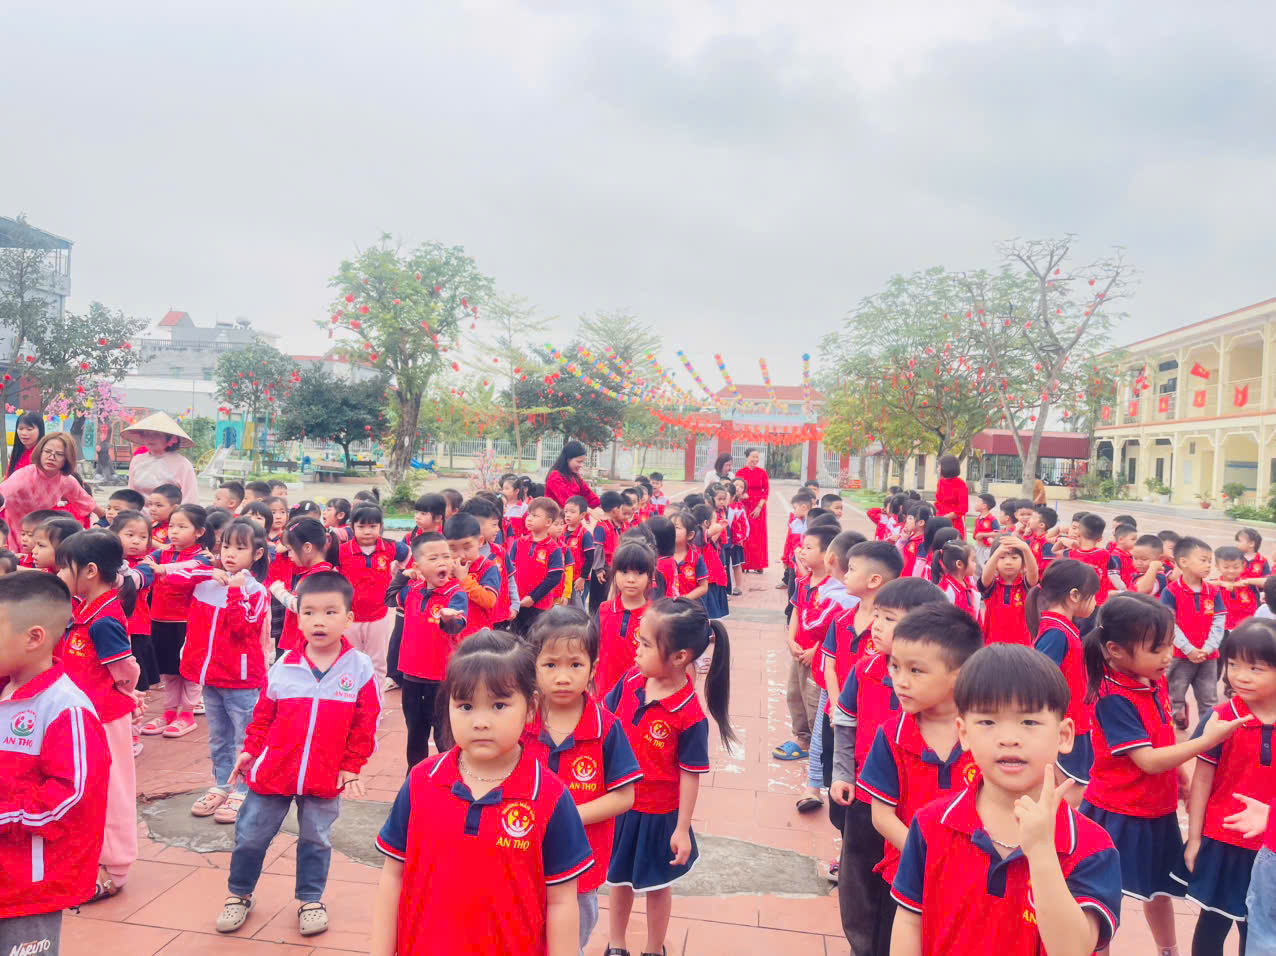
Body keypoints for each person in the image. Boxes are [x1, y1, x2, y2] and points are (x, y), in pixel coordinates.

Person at [889, 643, 1123, 955]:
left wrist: (1042, 851)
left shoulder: (1091, 847)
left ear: (1064, 735)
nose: (1009, 739)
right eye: (988, 722)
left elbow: (1073, 950)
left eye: (1029, 722)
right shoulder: (932, 824)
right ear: (964, 733)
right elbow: (909, 920)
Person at [370, 631, 594, 956]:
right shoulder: (422, 781)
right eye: (465, 706)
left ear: (531, 708)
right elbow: (393, 877)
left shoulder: (549, 796)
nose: (480, 722)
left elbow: (561, 902)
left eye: (499, 705)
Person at [1080, 592, 1251, 956]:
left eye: (1170, 645)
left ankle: (1168, 950)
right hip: (1118, 813)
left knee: (1158, 891)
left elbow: (1162, 737)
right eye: (1156, 648)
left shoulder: (1151, 680)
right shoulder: (1114, 698)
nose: (1167, 655)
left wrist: (1183, 780)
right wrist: (1206, 741)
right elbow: (1148, 760)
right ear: (1115, 651)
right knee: (1100, 896)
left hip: (1156, 809)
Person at [215, 572, 379, 939]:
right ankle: (239, 894)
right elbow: (262, 717)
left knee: (316, 839)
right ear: (298, 617)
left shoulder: (359, 668)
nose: (319, 621)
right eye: (309, 612)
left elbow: (366, 722)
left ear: (349, 618)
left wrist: (352, 765)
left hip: (325, 775)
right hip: (273, 771)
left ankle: (310, 899)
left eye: (330, 612)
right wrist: (250, 752)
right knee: (251, 835)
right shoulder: (284, 667)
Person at [603, 598, 734, 956]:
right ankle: (616, 944)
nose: (636, 649)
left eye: (646, 644)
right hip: (621, 805)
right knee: (618, 880)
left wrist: (682, 828)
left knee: (657, 886)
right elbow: (604, 720)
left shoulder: (689, 715)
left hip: (659, 816)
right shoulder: (631, 680)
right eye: (638, 640)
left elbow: (690, 775)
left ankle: (653, 948)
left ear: (679, 657)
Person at [830, 577, 947, 954]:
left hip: (913, 806)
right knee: (859, 883)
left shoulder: (941, 688)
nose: (875, 625)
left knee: (904, 890)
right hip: (867, 798)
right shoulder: (865, 669)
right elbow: (844, 721)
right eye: (876, 615)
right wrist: (842, 773)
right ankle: (861, 946)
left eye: (889, 618)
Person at [858, 602, 984, 945]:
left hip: (974, 882)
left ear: (959, 675)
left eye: (916, 671)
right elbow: (882, 817)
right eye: (895, 666)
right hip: (908, 879)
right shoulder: (893, 736)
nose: (900, 680)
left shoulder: (985, 734)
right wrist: (933, 860)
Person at [0, 572, 110, 954]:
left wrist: (4, 815)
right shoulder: (4, 686)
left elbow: (71, 798)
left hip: (29, 883)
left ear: (34, 638)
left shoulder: (66, 709)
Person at [525, 608, 642, 953]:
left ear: (593, 667)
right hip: (521, 860)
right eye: (550, 665)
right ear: (533, 666)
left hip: (580, 870)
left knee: (569, 943)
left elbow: (624, 797)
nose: (563, 677)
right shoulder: (519, 722)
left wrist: (567, 816)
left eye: (575, 665)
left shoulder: (606, 728)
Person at [1168, 618, 1276, 954]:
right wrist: (1194, 839)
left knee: (1257, 927)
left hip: (1268, 846)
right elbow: (1202, 780)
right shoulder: (1220, 718)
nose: (1241, 675)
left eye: (1255, 668)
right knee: (1212, 923)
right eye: (1233, 664)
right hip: (1223, 841)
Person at [53, 530, 140, 903]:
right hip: (86, 716)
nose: (59, 574)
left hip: (105, 718)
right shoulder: (83, 610)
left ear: (89, 570)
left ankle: (116, 869)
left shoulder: (102, 619)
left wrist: (125, 692)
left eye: (64, 567)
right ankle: (92, 859)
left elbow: (126, 669)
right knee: (87, 788)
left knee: (112, 790)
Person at [178, 519, 271, 826]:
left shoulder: (256, 591)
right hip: (210, 677)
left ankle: (244, 789)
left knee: (245, 737)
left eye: (240, 548)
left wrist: (235, 591)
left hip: (241, 680)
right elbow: (170, 580)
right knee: (219, 737)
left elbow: (243, 628)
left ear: (257, 554)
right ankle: (222, 784)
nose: (230, 554)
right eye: (226, 546)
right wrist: (206, 571)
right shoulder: (207, 582)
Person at [385, 531, 468, 767]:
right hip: (411, 677)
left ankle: (450, 776)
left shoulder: (455, 594)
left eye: (446, 556)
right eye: (433, 558)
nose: (442, 562)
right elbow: (389, 598)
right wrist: (403, 575)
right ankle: (414, 778)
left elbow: (457, 625)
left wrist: (448, 619)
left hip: (440, 679)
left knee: (444, 736)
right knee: (415, 734)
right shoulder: (412, 590)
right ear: (418, 566)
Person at [138, 504, 213, 738]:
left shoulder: (202, 557)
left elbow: (191, 568)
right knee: (169, 671)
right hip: (160, 620)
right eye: (172, 526)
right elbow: (145, 563)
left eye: (182, 526)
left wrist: (163, 569)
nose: (174, 531)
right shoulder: (161, 553)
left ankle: (187, 714)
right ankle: (169, 713)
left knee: (189, 671)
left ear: (199, 532)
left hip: (188, 623)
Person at [1030, 559, 1100, 797]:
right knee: (1073, 794)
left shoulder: (1062, 628)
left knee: (1071, 792)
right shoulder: (1056, 633)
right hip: (1066, 725)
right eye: (1092, 596)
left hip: (1073, 723)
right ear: (1074, 595)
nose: (1096, 602)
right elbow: (1039, 679)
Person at [335, 503, 409, 682]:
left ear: (381, 526)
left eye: (373, 526)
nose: (367, 531)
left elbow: (408, 554)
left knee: (377, 661)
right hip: (349, 617)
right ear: (352, 527)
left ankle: (376, 697)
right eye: (361, 526)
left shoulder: (390, 547)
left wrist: (396, 574)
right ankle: (351, 695)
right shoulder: (342, 551)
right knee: (349, 658)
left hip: (378, 616)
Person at [1161, 536, 1226, 731]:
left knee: (1208, 698)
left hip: (1208, 657)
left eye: (1210, 561)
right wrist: (1188, 649)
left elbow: (1219, 622)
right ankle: (1178, 714)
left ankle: (1207, 734)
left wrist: (1208, 647)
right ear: (1183, 562)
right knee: (1174, 694)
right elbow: (1170, 624)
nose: (1208, 565)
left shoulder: (1213, 591)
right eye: (1203, 560)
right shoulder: (1171, 591)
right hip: (1180, 656)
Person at [0, 432, 103, 551]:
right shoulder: (23, 476)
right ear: (40, 452)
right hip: (9, 533)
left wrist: (105, 520)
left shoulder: (66, 480)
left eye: (59, 454)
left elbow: (88, 503)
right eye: (47, 451)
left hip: (38, 538)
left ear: (67, 458)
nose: (51, 457)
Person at [266, 518, 338, 652]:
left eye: (290, 550)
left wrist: (279, 592)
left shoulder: (319, 576)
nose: (289, 555)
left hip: (305, 645)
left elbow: (302, 606)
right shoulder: (316, 572)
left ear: (307, 547)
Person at [596, 541, 656, 695]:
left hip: (639, 695)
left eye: (639, 573)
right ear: (614, 573)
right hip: (604, 692)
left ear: (650, 576)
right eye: (624, 572)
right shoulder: (604, 609)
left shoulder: (654, 616)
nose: (631, 579)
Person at [513, 496, 565, 636]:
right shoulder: (519, 542)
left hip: (540, 606)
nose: (529, 518)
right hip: (518, 602)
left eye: (535, 516)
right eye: (529, 514)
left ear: (548, 522)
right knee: (516, 638)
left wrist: (533, 598)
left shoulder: (554, 548)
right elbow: (509, 572)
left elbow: (554, 577)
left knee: (535, 639)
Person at [121, 412, 199, 504]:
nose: (150, 438)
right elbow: (131, 493)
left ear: (171, 438)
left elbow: (190, 498)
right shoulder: (137, 460)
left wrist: (177, 513)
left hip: (172, 512)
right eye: (146, 434)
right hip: (139, 512)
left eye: (156, 434)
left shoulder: (183, 464)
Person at [979, 535, 1038, 645]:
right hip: (993, 646)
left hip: (1021, 647)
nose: (1008, 562)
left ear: (1023, 564)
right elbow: (985, 577)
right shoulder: (992, 584)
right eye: (1002, 557)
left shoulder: (1025, 585)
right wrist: (997, 552)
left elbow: (1034, 575)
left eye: (1014, 558)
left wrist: (1026, 549)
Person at [735, 447, 770, 573]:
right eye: (753, 457)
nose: (755, 459)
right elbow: (736, 489)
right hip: (744, 505)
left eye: (757, 457)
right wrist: (741, 498)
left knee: (758, 536)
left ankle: (758, 564)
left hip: (759, 508)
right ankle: (744, 565)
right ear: (747, 457)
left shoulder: (762, 473)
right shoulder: (740, 472)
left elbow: (766, 491)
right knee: (745, 534)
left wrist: (759, 507)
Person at [546, 440, 601, 511]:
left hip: (575, 513)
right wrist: (589, 511)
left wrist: (604, 506)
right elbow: (569, 504)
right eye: (579, 461)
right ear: (568, 459)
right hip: (559, 516)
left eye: (583, 462)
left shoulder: (575, 476)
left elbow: (589, 495)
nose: (581, 465)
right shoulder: (555, 476)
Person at [933, 454, 969, 540]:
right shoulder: (941, 482)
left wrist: (945, 518)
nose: (938, 468)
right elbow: (938, 502)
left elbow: (963, 508)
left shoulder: (961, 484)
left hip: (955, 521)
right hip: (940, 519)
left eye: (939, 466)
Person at [5, 410, 43, 477]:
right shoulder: (17, 452)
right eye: (20, 429)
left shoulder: (43, 454)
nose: (24, 433)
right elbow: (8, 478)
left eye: (29, 429)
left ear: (40, 430)